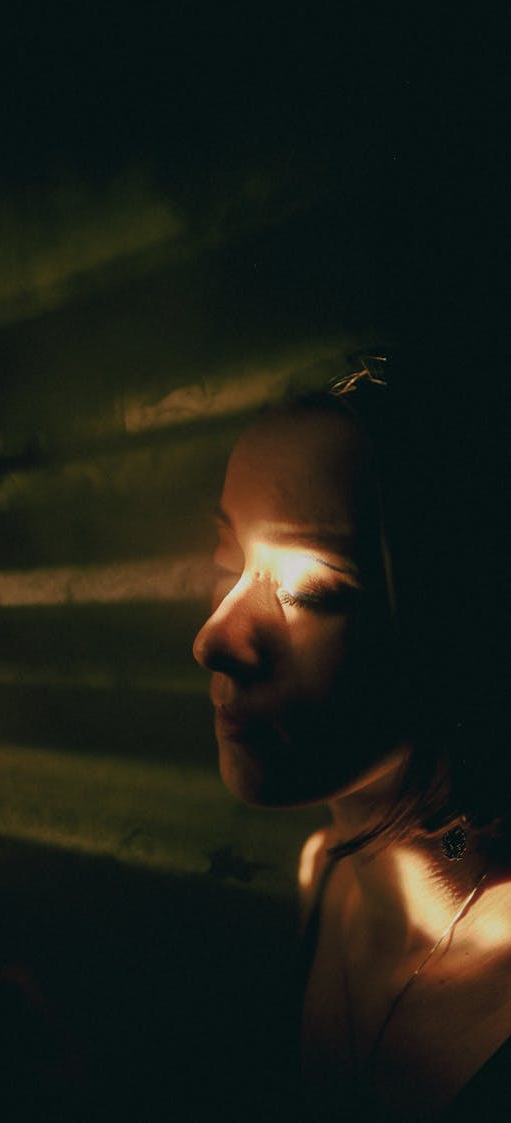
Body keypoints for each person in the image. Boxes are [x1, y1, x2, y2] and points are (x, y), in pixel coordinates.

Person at [192, 355, 511, 1119]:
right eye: (227, 559)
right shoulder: (322, 877)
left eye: (308, 586)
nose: (213, 637)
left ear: (457, 621)